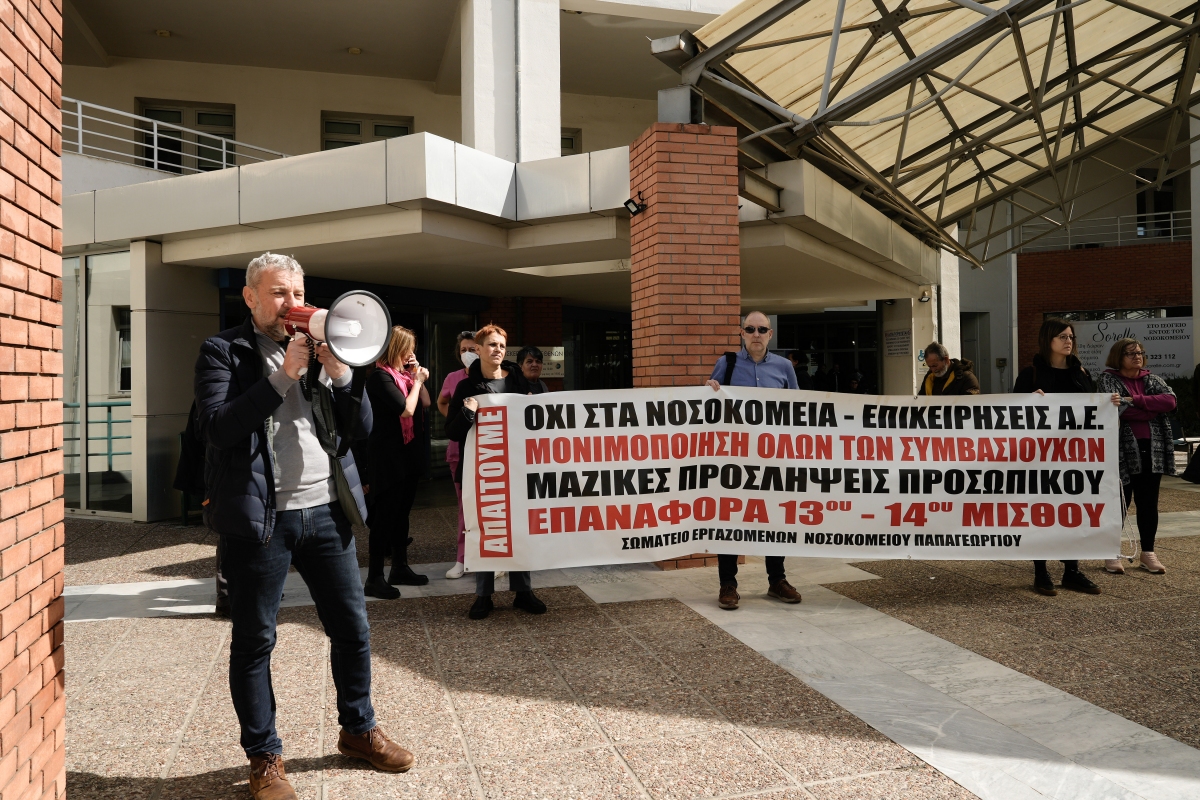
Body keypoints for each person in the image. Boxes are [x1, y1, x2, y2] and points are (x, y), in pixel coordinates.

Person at [195, 253, 412, 800]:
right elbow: (219, 428)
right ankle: (265, 756)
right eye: (278, 294)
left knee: (353, 628)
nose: (290, 304)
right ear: (250, 297)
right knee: (255, 640)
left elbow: (362, 428)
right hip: (261, 519)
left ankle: (358, 729)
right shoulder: (224, 350)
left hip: (325, 512)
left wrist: (341, 376)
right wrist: (282, 376)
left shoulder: (321, 348)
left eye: (297, 293)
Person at [446, 324, 548, 620]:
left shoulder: (517, 378)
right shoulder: (466, 386)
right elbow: (452, 431)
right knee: (485, 530)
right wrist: (467, 412)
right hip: (482, 472)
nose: (498, 350)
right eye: (492, 345)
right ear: (478, 349)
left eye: (502, 345)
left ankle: (523, 591)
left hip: (517, 468)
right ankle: (483, 595)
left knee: (520, 529)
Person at [706, 311, 804, 610]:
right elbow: (710, 407)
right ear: (742, 333)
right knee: (730, 515)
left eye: (762, 329)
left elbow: (798, 407)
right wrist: (708, 391)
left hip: (773, 456)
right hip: (734, 457)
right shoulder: (727, 363)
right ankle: (728, 584)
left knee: (774, 515)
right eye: (750, 329)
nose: (756, 334)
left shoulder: (784, 367)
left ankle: (777, 580)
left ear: (770, 334)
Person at [1013, 318, 1114, 597]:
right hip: (1041, 456)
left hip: (1076, 456)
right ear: (1048, 340)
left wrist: (1109, 404)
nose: (1068, 341)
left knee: (1073, 511)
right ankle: (1041, 571)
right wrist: (1028, 400)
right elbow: (1012, 412)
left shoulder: (1080, 373)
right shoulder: (1031, 374)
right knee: (1041, 511)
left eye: (1071, 337)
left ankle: (1072, 569)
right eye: (1062, 336)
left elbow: (1093, 408)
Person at [1097, 337, 1177, 575]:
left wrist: (1136, 401)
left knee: (1148, 502)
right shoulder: (1108, 379)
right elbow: (1117, 410)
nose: (1137, 357)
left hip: (1153, 448)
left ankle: (1148, 552)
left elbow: (1170, 401)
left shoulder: (1152, 379)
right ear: (1118, 357)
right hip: (1120, 449)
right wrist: (1150, 409)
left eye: (1140, 352)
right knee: (1120, 501)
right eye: (1131, 353)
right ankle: (1111, 551)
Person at [363, 326, 432, 598]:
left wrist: (417, 379)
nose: (410, 354)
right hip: (388, 457)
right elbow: (406, 409)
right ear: (395, 349)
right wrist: (417, 381)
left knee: (402, 514)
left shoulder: (403, 377)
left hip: (408, 454)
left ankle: (400, 567)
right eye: (407, 349)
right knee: (385, 516)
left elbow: (424, 402)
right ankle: (374, 577)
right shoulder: (380, 377)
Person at [438, 332, 478, 580]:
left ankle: (494, 557)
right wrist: (456, 421)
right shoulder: (453, 378)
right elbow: (442, 402)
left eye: (472, 349)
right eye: (463, 350)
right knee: (465, 508)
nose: (467, 354)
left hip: (490, 451)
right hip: (459, 451)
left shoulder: (493, 376)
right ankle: (462, 558)